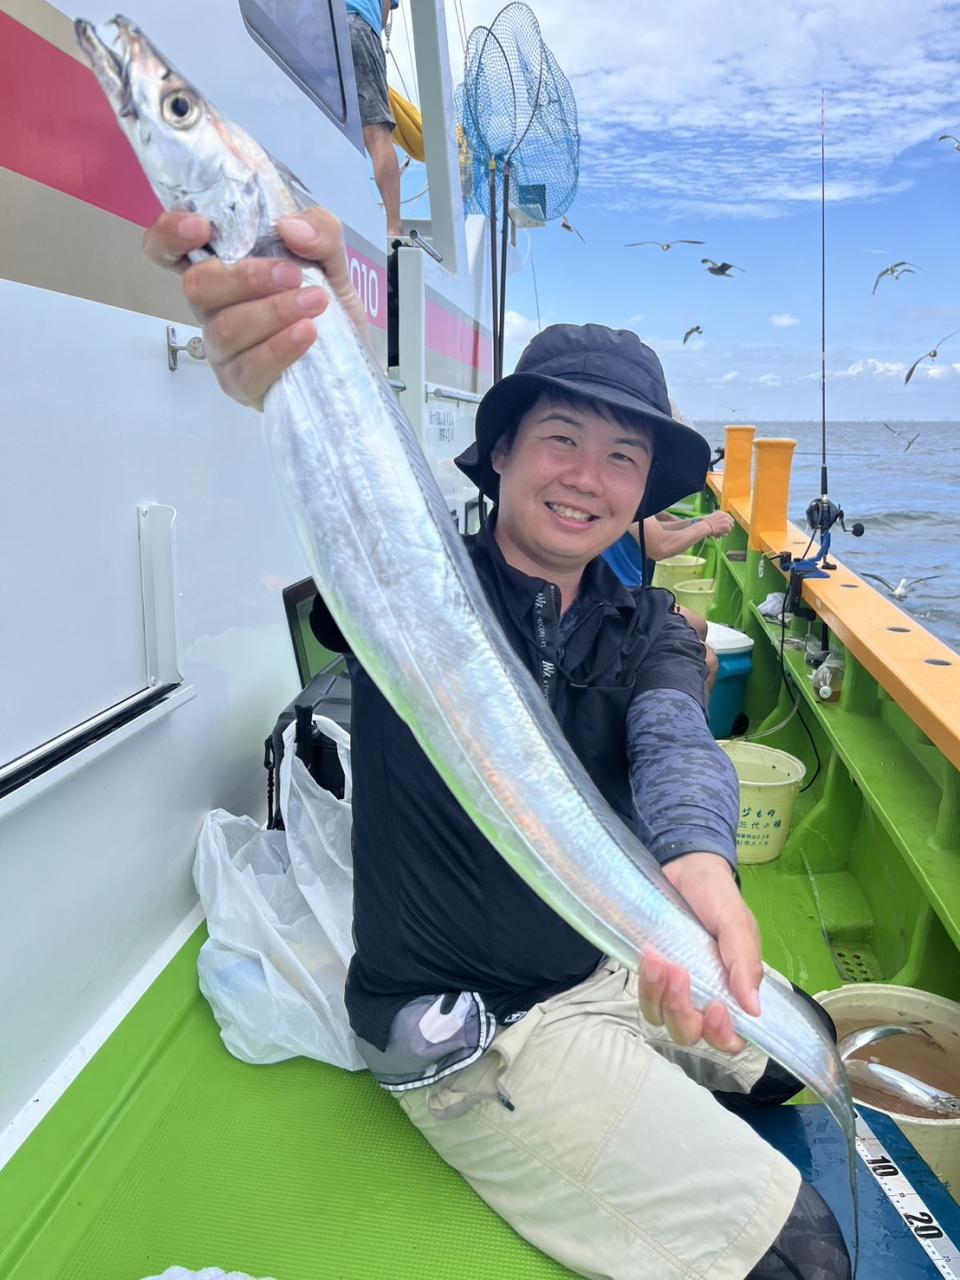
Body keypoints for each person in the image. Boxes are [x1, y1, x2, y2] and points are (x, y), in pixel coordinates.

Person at [142, 206, 852, 1280]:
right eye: (561, 439)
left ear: (643, 490)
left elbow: (674, 739)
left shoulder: (649, 624)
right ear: (504, 452)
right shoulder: (408, 592)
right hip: (487, 1022)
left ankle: (643, 1052)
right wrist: (299, 365)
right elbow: (351, 493)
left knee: (810, 1054)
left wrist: (702, 864)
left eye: (622, 456)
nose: (587, 477)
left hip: (609, 948)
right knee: (805, 1259)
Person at [346, 0, 403, 240]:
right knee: (377, 134)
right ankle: (394, 227)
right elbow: (382, 15)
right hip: (357, 26)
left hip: (312, 32)